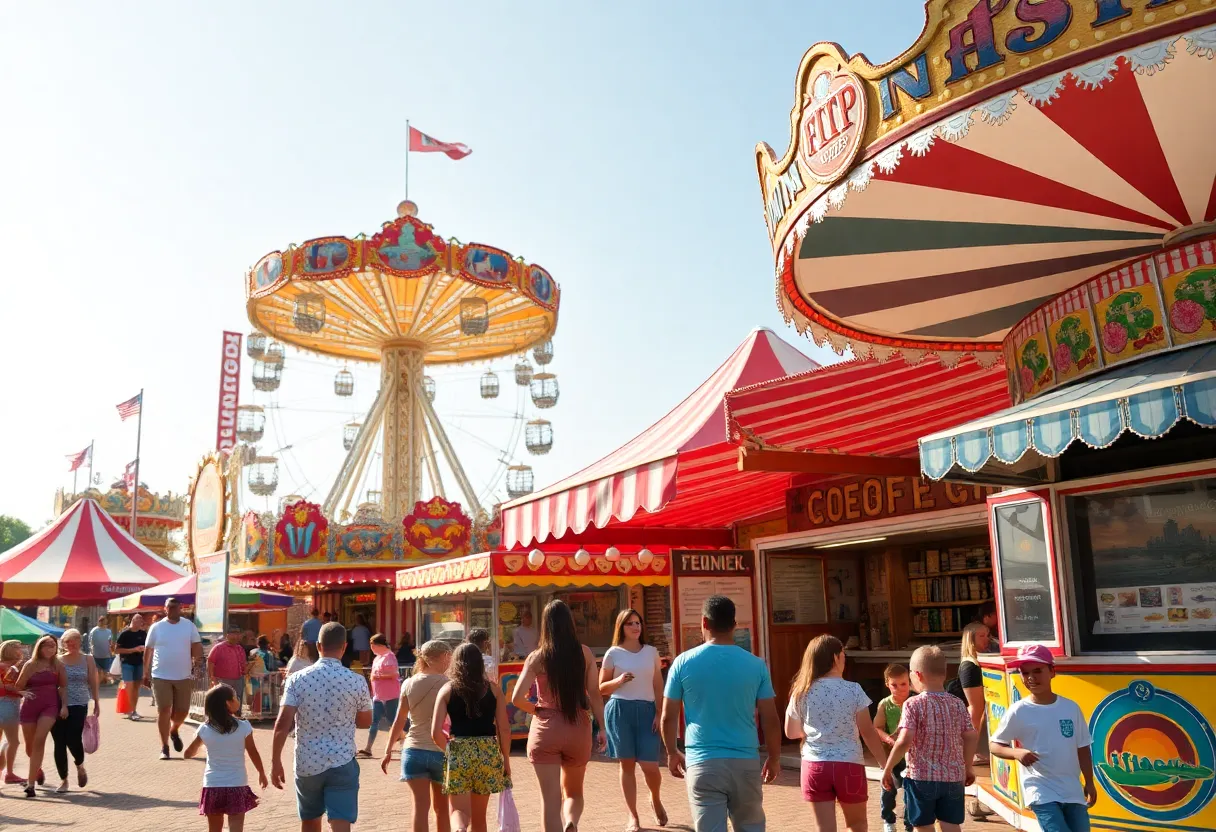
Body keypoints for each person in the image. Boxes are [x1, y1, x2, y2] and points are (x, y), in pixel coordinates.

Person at [512, 600, 607, 832]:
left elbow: (516, 698)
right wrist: (603, 728)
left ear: (545, 626)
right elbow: (594, 693)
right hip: (577, 726)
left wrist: (536, 710)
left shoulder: (537, 658)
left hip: (546, 728)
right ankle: (572, 821)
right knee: (574, 792)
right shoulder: (584, 653)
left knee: (550, 801)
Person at [271, 621, 372, 832]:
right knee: (341, 820)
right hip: (342, 760)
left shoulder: (297, 680)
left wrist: (275, 761)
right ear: (344, 647)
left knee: (309, 819)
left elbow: (282, 724)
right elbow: (365, 722)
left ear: (318, 646)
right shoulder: (357, 681)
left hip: (308, 761)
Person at [785, 634, 888, 832]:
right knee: (857, 824)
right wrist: (884, 764)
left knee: (825, 828)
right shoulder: (853, 690)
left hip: (814, 765)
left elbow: (791, 732)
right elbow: (867, 731)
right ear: (835, 657)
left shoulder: (800, 691)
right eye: (843, 655)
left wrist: (814, 732)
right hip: (849, 764)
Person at [990, 645, 1097, 832]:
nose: (1031, 677)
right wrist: (1016, 752)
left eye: (1038, 670)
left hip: (1072, 791)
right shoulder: (1019, 711)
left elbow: (1083, 748)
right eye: (1025, 672)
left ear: (1052, 671)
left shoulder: (1071, 708)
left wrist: (1089, 782)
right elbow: (995, 745)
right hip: (1040, 790)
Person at [881, 646, 977, 832]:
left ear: (917, 675)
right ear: (944, 673)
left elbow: (904, 740)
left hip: (921, 778)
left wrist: (888, 768)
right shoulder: (957, 703)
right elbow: (971, 735)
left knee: (923, 826)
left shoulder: (913, 704)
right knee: (951, 824)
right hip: (953, 777)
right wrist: (968, 766)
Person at [599, 608, 666, 832]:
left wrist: (659, 712)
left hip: (648, 711)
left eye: (638, 623)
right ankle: (633, 817)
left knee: (650, 767)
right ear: (621, 627)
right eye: (630, 623)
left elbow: (658, 684)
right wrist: (618, 681)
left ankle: (655, 798)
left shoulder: (651, 652)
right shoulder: (613, 653)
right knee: (627, 765)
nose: (636, 627)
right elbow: (600, 688)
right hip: (620, 711)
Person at [434, 643, 512, 832]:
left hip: (459, 749)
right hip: (487, 751)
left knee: (458, 810)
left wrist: (449, 751)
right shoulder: (493, 690)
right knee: (480, 817)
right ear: (480, 664)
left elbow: (435, 731)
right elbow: (504, 728)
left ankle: (459, 829)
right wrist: (506, 760)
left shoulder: (447, 690)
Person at [381, 639, 454, 832]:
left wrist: (388, 750)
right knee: (442, 810)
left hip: (413, 750)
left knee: (420, 809)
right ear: (440, 658)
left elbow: (399, 720)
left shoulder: (408, 683)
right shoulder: (449, 684)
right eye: (448, 658)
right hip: (440, 750)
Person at [185, 683, 268, 832]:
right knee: (236, 826)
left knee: (214, 829)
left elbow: (189, 752)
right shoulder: (243, 726)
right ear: (228, 703)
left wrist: (195, 750)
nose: (238, 700)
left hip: (213, 785)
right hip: (237, 783)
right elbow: (252, 752)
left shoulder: (205, 729)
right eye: (235, 698)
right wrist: (261, 773)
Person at [144, 597, 203, 760]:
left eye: (175, 607)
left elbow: (197, 645)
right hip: (160, 675)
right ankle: (164, 747)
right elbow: (148, 650)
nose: (172, 610)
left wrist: (197, 665)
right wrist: (144, 673)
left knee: (183, 710)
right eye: (169, 607)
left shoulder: (189, 626)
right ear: (165, 609)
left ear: (181, 609)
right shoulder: (157, 627)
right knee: (164, 709)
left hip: (183, 675)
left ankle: (174, 729)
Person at [14, 634, 68, 798]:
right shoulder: (30, 665)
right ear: (40, 647)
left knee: (39, 740)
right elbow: (18, 686)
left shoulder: (58, 664)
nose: (51, 648)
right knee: (30, 747)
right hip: (30, 707)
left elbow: (63, 687)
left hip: (50, 707)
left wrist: (64, 706)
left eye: (53, 645)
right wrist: (23, 692)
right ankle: (36, 769)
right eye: (47, 645)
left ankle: (30, 786)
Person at [51, 629, 100, 794]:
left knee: (73, 738)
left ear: (80, 642)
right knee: (59, 742)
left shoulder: (88, 659)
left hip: (79, 703)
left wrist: (97, 702)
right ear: (63, 644)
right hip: (57, 704)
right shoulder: (57, 660)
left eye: (75, 641)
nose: (72, 645)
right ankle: (63, 780)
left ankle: (80, 765)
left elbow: (93, 680)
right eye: (68, 642)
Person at [873, 664, 914, 832]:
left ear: (909, 682)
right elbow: (877, 727)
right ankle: (888, 820)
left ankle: (910, 824)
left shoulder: (914, 701)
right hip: (892, 755)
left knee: (911, 791)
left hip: (912, 755)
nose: (899, 689)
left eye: (903, 684)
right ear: (887, 685)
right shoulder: (885, 704)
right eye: (894, 685)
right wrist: (889, 740)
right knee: (888, 788)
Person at [956, 623, 991, 774]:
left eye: (987, 635)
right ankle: (968, 755)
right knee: (976, 712)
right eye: (981, 636)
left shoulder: (975, 661)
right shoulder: (969, 666)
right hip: (970, 719)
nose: (987, 639)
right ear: (970, 639)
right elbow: (975, 709)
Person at [358, 633, 400, 759]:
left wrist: (378, 677)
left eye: (372, 647)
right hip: (378, 695)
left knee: (393, 722)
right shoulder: (377, 658)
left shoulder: (390, 657)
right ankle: (368, 748)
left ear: (379, 645)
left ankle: (403, 742)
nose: (371, 649)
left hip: (391, 695)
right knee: (374, 721)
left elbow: (394, 675)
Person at [0, 640, 26, 784]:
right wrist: (20, 691)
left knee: (8, 741)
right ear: (11, 650)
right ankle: (8, 772)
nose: (21, 649)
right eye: (18, 647)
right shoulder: (10, 667)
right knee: (13, 741)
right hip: (8, 705)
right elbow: (3, 688)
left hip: (9, 704)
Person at [115, 614, 148, 720]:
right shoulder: (124, 634)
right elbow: (116, 650)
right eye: (137, 620)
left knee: (136, 688)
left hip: (139, 663)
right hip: (127, 663)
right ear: (132, 621)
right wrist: (133, 650)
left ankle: (134, 710)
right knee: (129, 686)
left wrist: (144, 650)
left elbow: (148, 647)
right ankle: (131, 711)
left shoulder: (143, 634)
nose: (139, 623)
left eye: (141, 621)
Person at [208, 625, 249, 709]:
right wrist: (212, 678)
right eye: (233, 634)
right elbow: (210, 662)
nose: (236, 637)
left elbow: (244, 664)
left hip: (238, 680)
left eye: (238, 634)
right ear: (227, 635)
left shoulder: (240, 648)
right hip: (222, 680)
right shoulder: (218, 648)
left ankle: (236, 719)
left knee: (237, 701)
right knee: (222, 702)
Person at [87, 617, 114, 685]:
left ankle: (103, 680)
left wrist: (111, 651)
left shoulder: (108, 631)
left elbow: (110, 642)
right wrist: (91, 651)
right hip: (96, 654)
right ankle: (99, 682)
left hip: (106, 654)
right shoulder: (94, 631)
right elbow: (90, 642)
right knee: (98, 670)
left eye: (105, 622)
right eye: (102, 622)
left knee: (105, 670)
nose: (104, 623)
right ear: (99, 622)